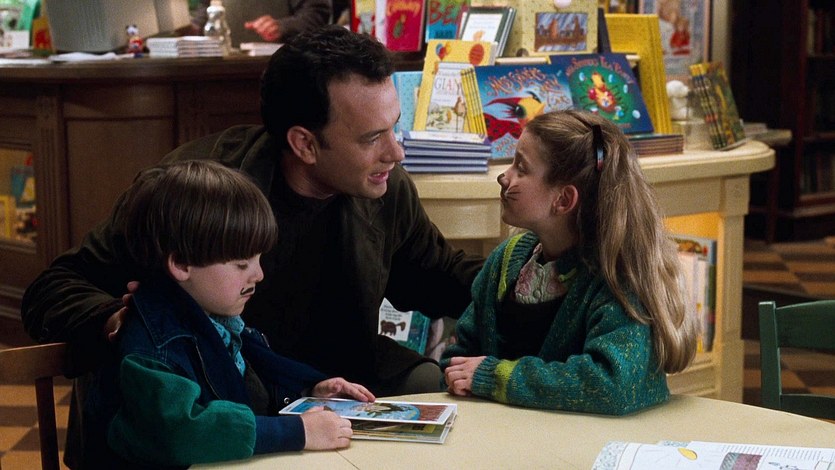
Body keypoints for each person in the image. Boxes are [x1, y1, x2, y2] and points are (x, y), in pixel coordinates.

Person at [21, 26, 482, 466]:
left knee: (432, 383)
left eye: (393, 128)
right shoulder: (193, 195)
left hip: (321, 381)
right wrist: (115, 321)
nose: (397, 153)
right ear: (304, 143)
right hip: (213, 401)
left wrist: (521, 271)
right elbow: (54, 287)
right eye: (372, 138)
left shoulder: (384, 187)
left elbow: (437, 277)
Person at [81, 160, 375, 468]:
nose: (258, 274)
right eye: (241, 264)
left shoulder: (217, 321)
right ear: (181, 264)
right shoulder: (154, 347)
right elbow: (182, 430)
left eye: (259, 259)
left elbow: (252, 393)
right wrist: (296, 431)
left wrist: (309, 392)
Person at [441, 110, 699, 415]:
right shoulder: (506, 261)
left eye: (521, 168)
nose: (504, 176)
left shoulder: (617, 279)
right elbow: (459, 356)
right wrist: (456, 376)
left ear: (563, 200)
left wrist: (498, 377)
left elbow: (611, 384)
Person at [190, 0, 331, 47]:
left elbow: (317, 13)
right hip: (221, 69)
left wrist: (283, 26)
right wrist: (193, 28)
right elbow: (205, 7)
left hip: (279, 71)